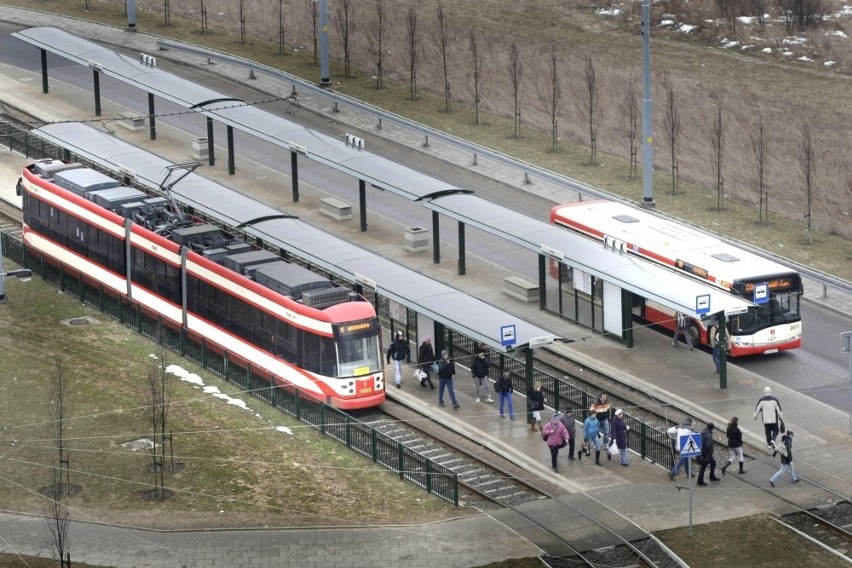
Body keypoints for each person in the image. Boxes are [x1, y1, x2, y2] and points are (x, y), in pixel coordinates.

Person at [591, 391, 612, 459]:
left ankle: (606, 444)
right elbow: (591, 411)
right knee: (596, 432)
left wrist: (608, 416)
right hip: (597, 420)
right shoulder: (595, 403)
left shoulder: (606, 402)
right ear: (600, 397)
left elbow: (608, 409)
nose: (604, 399)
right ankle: (595, 443)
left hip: (604, 419)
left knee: (606, 432)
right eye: (603, 397)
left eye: (605, 397)